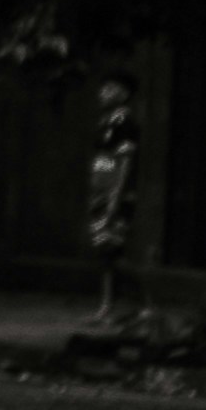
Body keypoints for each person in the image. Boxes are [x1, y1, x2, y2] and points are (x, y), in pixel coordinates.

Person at [84, 79, 137, 331]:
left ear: (124, 93)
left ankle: (140, 301)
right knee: (104, 253)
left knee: (113, 251)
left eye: (110, 89)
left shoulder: (124, 122)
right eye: (102, 88)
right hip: (100, 191)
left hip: (113, 194)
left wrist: (116, 196)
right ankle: (107, 307)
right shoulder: (106, 121)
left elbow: (125, 162)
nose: (103, 93)